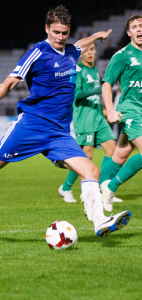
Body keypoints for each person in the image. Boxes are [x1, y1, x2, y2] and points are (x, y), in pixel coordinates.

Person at [0, 5, 131, 238]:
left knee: (91, 170)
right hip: (32, 125)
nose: (60, 38)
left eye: (64, 33)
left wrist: (97, 36)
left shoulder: (71, 51)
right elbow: (10, 82)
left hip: (59, 133)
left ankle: (100, 222)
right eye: (56, 32)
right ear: (47, 29)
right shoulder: (38, 51)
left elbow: (79, 46)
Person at [58, 43, 121, 217]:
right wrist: (99, 88)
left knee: (112, 149)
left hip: (97, 116)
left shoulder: (94, 70)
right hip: (84, 117)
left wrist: (105, 109)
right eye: (87, 51)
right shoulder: (77, 70)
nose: (91, 53)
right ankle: (66, 188)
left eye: (93, 50)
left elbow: (94, 95)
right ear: (81, 54)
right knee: (87, 157)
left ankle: (105, 186)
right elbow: (76, 95)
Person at [100, 15, 142, 212]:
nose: (139, 29)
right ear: (129, 33)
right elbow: (107, 83)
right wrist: (110, 110)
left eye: (141, 26)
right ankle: (110, 187)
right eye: (135, 27)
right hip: (129, 109)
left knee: (122, 151)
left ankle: (100, 187)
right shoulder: (122, 55)